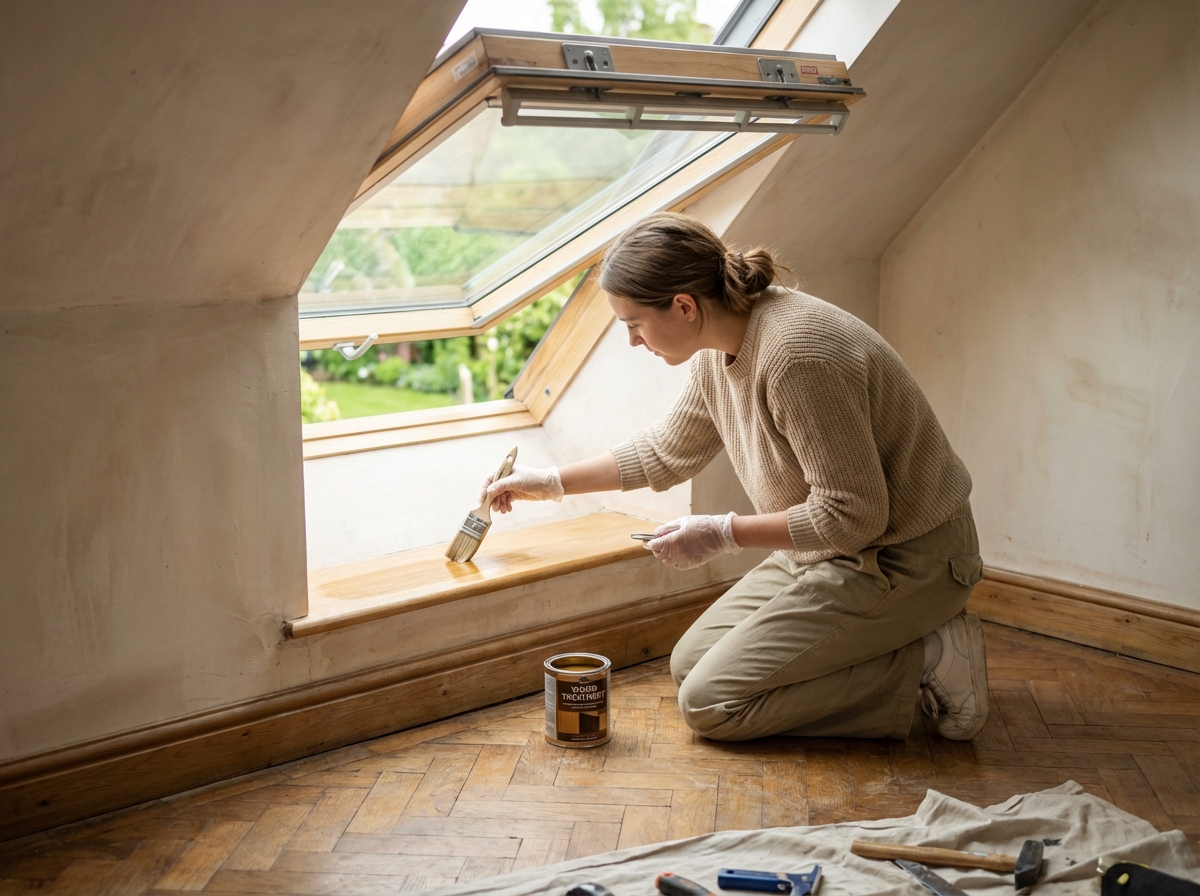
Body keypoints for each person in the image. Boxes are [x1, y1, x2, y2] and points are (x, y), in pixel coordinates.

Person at [485, 212, 988, 743]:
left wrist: (723, 533)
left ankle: (931, 654)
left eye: (633, 323)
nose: (633, 341)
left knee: (712, 705)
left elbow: (854, 515)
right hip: (825, 550)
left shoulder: (796, 356)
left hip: (908, 559)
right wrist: (549, 482)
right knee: (691, 664)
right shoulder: (719, 348)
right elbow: (665, 453)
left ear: (683, 306)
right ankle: (889, 646)